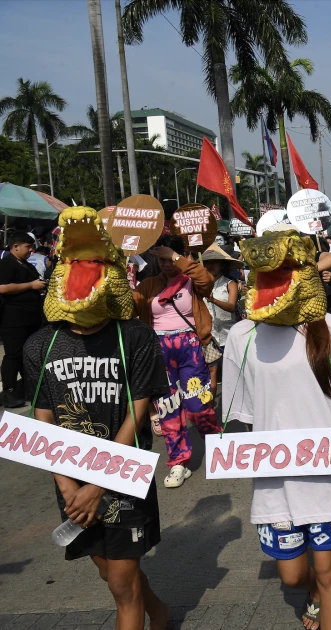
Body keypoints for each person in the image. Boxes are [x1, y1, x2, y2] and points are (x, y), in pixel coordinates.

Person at [25, 207, 170, 630]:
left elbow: (137, 413)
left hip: (122, 476)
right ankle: (159, 610)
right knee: (109, 573)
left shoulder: (136, 337)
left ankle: (150, 613)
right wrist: (70, 487)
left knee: (123, 585)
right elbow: (43, 421)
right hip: (70, 481)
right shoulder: (40, 345)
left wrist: (97, 486)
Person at [224, 225, 331, 630]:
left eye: (286, 269)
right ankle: (313, 593)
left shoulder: (329, 327)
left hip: (328, 477)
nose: (275, 278)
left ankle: (328, 600)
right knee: (292, 575)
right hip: (275, 479)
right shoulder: (242, 336)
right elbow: (244, 414)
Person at [133, 235, 219, 489]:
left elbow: (207, 280)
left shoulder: (192, 281)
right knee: (168, 408)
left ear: (181, 256)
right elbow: (130, 307)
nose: (166, 264)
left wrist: (177, 258)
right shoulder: (148, 284)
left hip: (190, 346)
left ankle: (218, 449)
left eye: (169, 259)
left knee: (198, 403)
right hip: (158, 349)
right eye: (161, 260)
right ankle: (178, 462)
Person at [0, 231, 46, 407]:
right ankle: (8, 391)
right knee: (13, 355)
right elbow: (3, 288)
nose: (31, 250)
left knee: (28, 354)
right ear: (15, 246)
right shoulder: (6, 264)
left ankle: (26, 388)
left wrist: (40, 286)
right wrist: (31, 285)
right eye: (27, 247)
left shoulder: (26, 265)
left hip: (31, 318)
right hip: (13, 318)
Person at [202, 244, 241, 398]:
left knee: (233, 374)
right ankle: (210, 406)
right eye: (207, 262)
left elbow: (231, 306)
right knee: (210, 375)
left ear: (222, 265)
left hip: (228, 336)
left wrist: (213, 300)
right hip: (209, 337)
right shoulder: (200, 285)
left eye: (214, 262)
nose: (210, 265)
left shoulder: (230, 284)